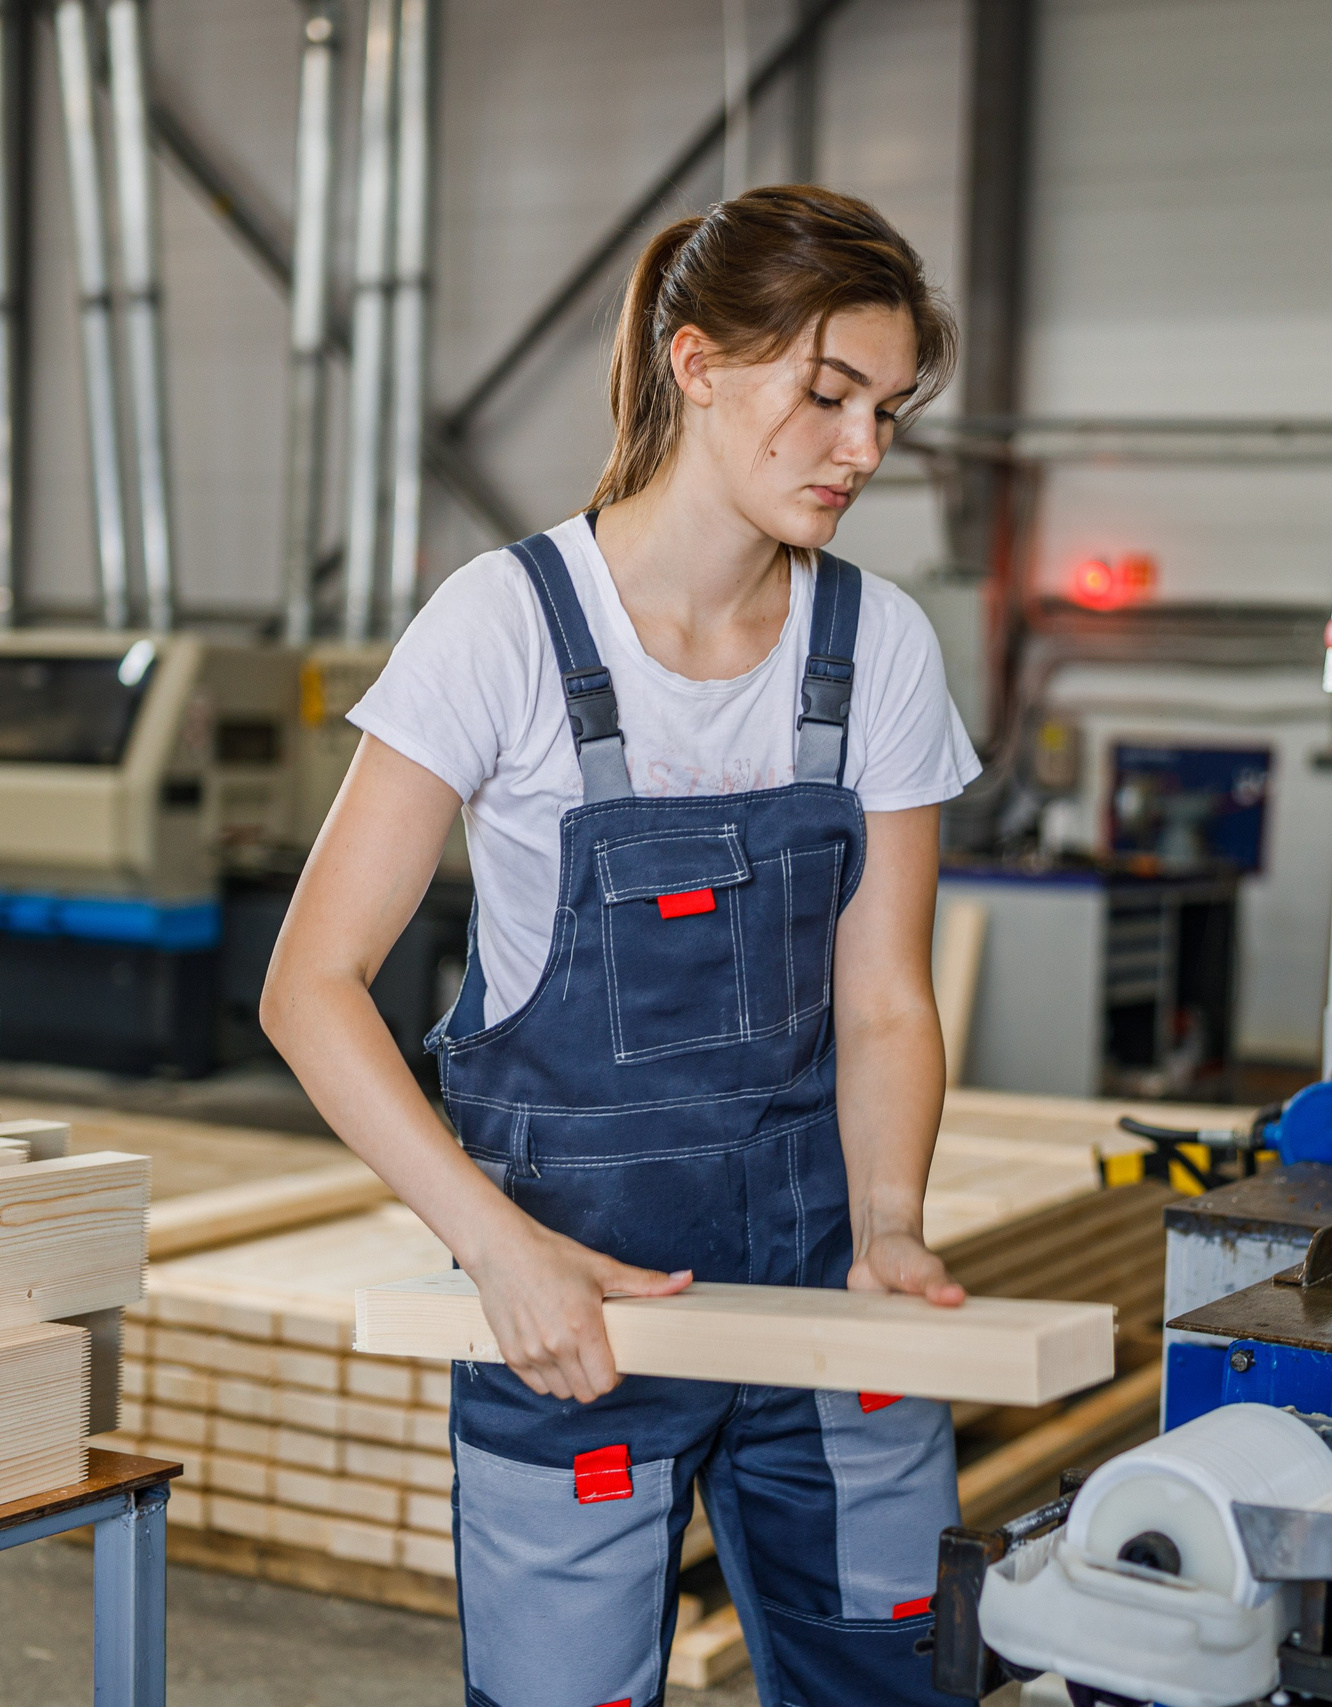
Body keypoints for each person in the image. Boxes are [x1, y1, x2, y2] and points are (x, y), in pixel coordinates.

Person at [261, 183, 980, 1707]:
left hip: (821, 1292)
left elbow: (887, 1003)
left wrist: (895, 1224)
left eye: (890, 411)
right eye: (827, 394)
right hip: (569, 1308)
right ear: (699, 365)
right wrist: (496, 1250)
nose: (863, 450)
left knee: (899, 1684)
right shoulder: (502, 628)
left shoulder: (879, 648)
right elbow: (310, 988)